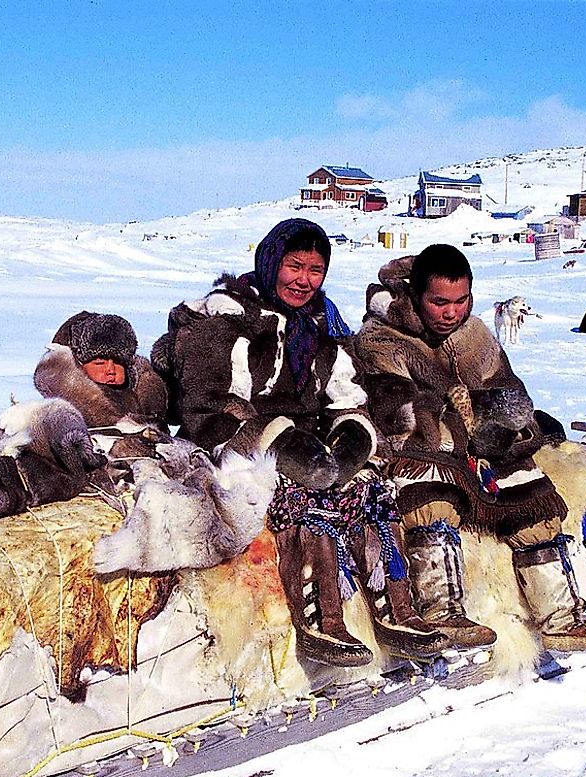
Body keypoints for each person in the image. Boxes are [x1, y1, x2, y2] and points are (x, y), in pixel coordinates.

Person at [152, 218, 447, 667]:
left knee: (369, 489)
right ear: (272, 262)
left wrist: (352, 433)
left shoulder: (320, 323)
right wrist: (277, 443)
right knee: (300, 497)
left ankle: (396, 610)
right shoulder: (227, 318)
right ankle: (320, 620)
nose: (304, 280)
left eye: (315, 270)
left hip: (303, 439)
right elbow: (205, 406)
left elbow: (346, 392)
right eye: (295, 266)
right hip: (232, 446)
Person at [356, 244, 586, 653]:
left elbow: (510, 390)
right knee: (431, 502)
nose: (451, 313)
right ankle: (442, 614)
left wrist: (499, 421)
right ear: (415, 296)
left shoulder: (475, 335)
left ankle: (562, 619)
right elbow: (397, 412)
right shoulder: (382, 339)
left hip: (484, 449)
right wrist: (459, 424)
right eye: (439, 302)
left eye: (461, 301)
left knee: (533, 505)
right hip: (423, 450)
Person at [34, 311, 169, 465]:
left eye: (118, 363)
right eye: (99, 363)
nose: (110, 370)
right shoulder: (61, 419)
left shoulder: (143, 403)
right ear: (78, 368)